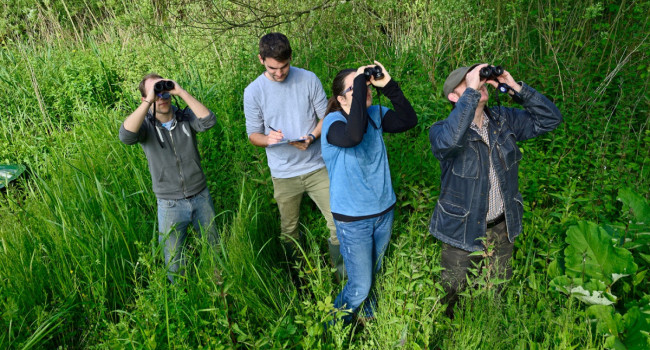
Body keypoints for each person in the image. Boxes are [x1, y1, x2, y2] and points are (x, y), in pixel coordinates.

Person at [428, 64, 562, 317]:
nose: (478, 83)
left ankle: (489, 328)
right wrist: (472, 90)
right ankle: (451, 333)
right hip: (461, 229)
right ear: (455, 97)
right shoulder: (440, 130)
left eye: (480, 79)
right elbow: (449, 142)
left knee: (496, 288)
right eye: (467, 82)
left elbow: (550, 119)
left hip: (502, 225)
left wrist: (514, 87)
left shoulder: (503, 120)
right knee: (453, 292)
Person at [321, 61, 417, 324]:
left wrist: (388, 86)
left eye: (365, 85)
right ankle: (334, 326)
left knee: (374, 272)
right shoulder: (333, 122)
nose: (365, 90)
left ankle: (368, 316)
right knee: (360, 285)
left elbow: (409, 120)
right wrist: (362, 83)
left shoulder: (376, 113)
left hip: (384, 211)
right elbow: (354, 135)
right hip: (354, 220)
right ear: (341, 99)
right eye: (355, 88)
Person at [243, 33, 345, 281]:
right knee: (289, 230)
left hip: (317, 165)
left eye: (285, 66)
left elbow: (327, 117)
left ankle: (342, 276)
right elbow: (253, 135)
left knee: (338, 223)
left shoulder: (308, 79)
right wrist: (269, 139)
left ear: (291, 58)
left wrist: (311, 137)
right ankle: (300, 279)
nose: (280, 73)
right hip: (283, 173)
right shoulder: (253, 91)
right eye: (272, 68)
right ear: (260, 60)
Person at [119, 73, 219, 283]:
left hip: (200, 196)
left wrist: (180, 91)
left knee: (214, 252)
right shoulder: (145, 126)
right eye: (156, 93)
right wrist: (149, 99)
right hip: (169, 204)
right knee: (174, 264)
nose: (161, 97)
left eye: (164, 92)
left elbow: (209, 121)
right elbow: (126, 136)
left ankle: (219, 292)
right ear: (145, 98)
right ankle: (181, 299)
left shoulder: (185, 117)